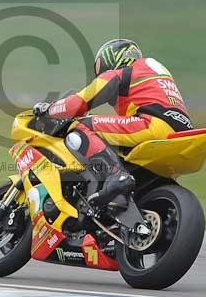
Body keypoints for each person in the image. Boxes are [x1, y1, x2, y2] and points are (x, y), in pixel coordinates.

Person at [33, 38, 193, 211]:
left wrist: (49, 110)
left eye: (101, 68)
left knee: (80, 126)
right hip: (183, 131)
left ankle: (116, 176)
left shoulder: (122, 73)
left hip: (152, 124)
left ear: (112, 59)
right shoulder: (154, 71)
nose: (100, 73)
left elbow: (77, 104)